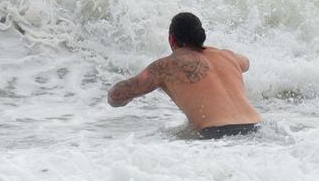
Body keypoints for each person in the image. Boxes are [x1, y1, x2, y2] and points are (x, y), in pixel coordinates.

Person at [107, 11, 263, 138]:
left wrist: (115, 98)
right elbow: (246, 62)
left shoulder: (165, 66)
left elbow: (116, 95)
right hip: (257, 130)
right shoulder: (228, 56)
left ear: (171, 39)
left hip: (217, 135)